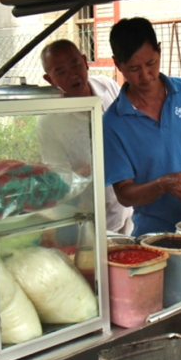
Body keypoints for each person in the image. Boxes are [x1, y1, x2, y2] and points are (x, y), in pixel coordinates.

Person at [103, 17, 181, 237]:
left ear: (159, 51)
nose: (145, 76)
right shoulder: (113, 122)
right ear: (117, 64)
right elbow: (125, 194)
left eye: (151, 63)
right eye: (133, 68)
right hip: (155, 234)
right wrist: (163, 184)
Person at [36, 39, 134, 234]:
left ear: (84, 61)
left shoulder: (108, 88)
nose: (72, 74)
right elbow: (61, 179)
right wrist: (89, 169)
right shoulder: (49, 121)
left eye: (75, 64)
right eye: (61, 72)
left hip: (129, 208)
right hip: (90, 219)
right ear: (49, 80)